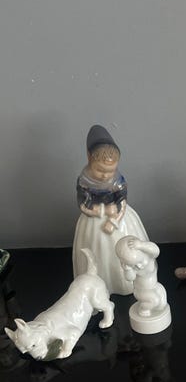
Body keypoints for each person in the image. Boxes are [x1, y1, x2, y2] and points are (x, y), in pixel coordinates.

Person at [72, 125, 148, 295]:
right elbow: (83, 205)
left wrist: (114, 220)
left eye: (110, 171)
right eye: (100, 170)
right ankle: (101, 285)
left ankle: (127, 280)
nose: (105, 175)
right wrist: (103, 211)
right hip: (93, 222)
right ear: (89, 158)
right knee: (98, 252)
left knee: (122, 250)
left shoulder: (118, 181)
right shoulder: (84, 181)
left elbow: (122, 202)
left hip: (118, 219)